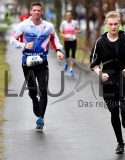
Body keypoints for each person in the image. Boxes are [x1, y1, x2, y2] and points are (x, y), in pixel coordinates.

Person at [90, 11, 125, 154]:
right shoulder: (100, 42)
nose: (113, 27)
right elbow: (93, 64)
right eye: (110, 24)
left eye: (115, 24)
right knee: (113, 111)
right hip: (109, 81)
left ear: (119, 24)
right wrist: (101, 73)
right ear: (106, 24)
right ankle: (120, 143)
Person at [10, 2, 64, 131]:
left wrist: (58, 51)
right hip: (27, 63)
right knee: (33, 90)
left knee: (44, 90)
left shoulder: (48, 26)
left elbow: (55, 39)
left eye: (39, 10)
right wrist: (23, 46)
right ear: (30, 12)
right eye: (34, 10)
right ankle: (34, 100)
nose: (37, 12)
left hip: (42, 63)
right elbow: (12, 40)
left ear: (42, 12)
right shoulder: (23, 26)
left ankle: (41, 118)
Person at [60, 11, 81, 77]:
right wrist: (64, 36)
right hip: (66, 41)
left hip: (73, 41)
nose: (68, 16)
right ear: (66, 16)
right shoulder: (63, 23)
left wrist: (76, 31)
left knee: (73, 56)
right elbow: (61, 32)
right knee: (67, 55)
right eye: (67, 15)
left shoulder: (74, 23)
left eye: (69, 15)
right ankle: (66, 63)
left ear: (71, 16)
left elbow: (80, 30)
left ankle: (71, 70)